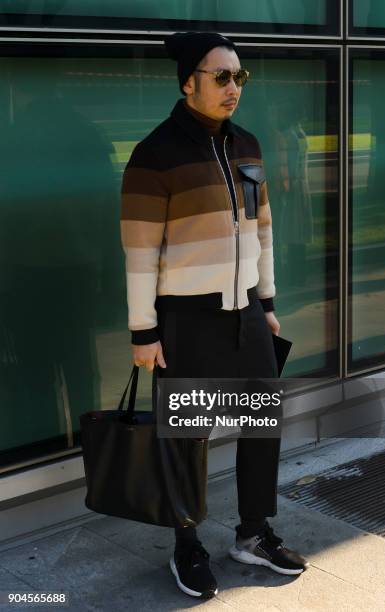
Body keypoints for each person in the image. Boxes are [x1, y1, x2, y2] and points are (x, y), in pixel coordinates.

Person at [120, 30, 309, 599]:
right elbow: (138, 252)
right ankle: (186, 544)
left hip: (245, 311)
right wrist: (143, 330)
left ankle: (252, 533)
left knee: (260, 426)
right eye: (221, 77)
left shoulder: (248, 146)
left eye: (239, 77)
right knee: (187, 437)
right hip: (186, 318)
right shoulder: (156, 154)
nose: (234, 88)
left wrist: (267, 303)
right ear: (188, 83)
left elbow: (263, 230)